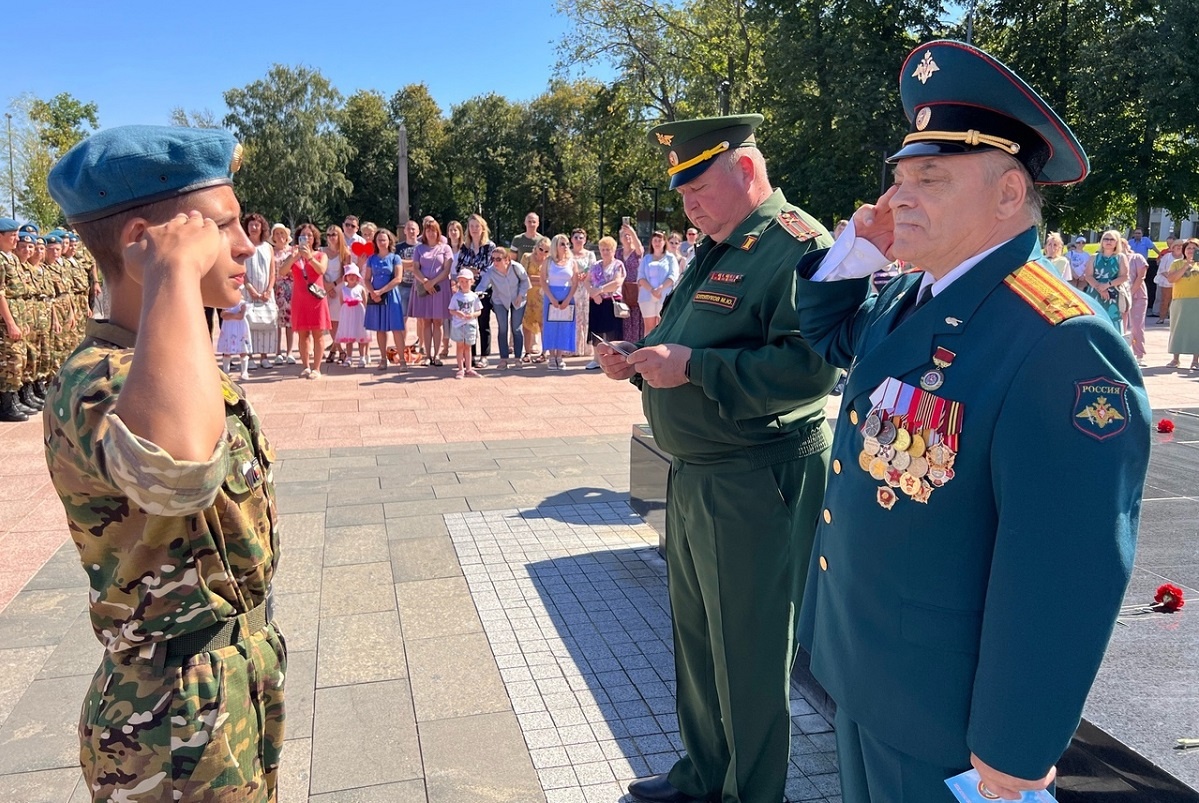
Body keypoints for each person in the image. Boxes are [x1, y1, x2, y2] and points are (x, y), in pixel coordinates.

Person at [791, 41, 1149, 803]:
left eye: (929, 178)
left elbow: (1065, 570)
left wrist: (1014, 746)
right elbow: (828, 336)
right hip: (865, 669)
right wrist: (856, 249)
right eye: (897, 177)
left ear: (1008, 193)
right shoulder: (906, 297)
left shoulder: (1058, 341)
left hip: (946, 719)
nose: (898, 197)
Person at [594, 114, 839, 803]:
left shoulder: (796, 244)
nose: (688, 204)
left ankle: (750, 794)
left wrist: (694, 366)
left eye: (698, 186)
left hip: (755, 477)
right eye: (681, 194)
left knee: (749, 655)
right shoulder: (721, 245)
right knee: (699, 642)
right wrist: (640, 363)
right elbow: (685, 335)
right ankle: (703, 776)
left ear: (746, 170)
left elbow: (810, 367)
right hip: (701, 473)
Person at [45, 124, 285, 801]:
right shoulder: (99, 380)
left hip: (228, 686)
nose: (245, 246)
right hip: (167, 719)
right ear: (141, 242)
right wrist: (174, 270)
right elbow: (178, 471)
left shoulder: (167, 363)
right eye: (222, 226)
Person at [284, 222, 332, 378]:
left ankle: (317, 368)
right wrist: (293, 258)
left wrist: (309, 257)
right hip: (299, 299)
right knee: (303, 334)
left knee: (318, 334)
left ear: (314, 238)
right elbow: (282, 272)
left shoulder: (321, 255)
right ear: (298, 238)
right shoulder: (293, 255)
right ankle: (305, 366)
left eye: (309, 235)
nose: (306, 238)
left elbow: (321, 270)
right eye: (303, 235)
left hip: (316, 299)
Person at [408, 218, 454, 364]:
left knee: (438, 321)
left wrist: (433, 282)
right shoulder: (419, 249)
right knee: (426, 321)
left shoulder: (445, 248)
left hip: (441, 287)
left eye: (433, 230)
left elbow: (447, 269)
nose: (431, 233)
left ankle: (437, 355)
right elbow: (415, 268)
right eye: (428, 230)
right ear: (424, 232)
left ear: (438, 231)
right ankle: (427, 355)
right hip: (424, 288)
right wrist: (425, 282)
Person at [475, 246, 529, 368]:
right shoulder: (490, 270)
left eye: (498, 259)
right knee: (502, 328)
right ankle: (503, 359)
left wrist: (521, 295)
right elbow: (483, 285)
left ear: (507, 259)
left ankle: (517, 358)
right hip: (499, 300)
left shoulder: (516, 267)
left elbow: (525, 281)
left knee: (516, 328)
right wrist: (475, 294)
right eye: (493, 259)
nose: (495, 262)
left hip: (518, 299)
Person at [362, 227, 408, 372]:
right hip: (376, 297)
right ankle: (383, 359)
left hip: (391, 296)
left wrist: (381, 291)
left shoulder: (395, 258)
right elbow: (367, 279)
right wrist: (373, 293)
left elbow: (398, 278)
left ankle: (402, 360)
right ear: (375, 242)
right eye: (379, 240)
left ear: (389, 241)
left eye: (384, 239)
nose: (381, 242)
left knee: (396, 328)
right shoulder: (371, 259)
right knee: (380, 329)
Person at [0, 217, 31, 421]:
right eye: (12, 236)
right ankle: (6, 405)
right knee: (9, 361)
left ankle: (15, 399)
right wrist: (10, 323)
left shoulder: (11, 258)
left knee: (19, 358)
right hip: (6, 320)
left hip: (18, 313)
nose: (16, 239)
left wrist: (24, 320)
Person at [459, 214, 496, 369]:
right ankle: (471, 355)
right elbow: (459, 267)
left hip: (484, 290)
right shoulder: (464, 247)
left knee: (483, 323)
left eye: (477, 226)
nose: (474, 229)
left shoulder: (490, 247)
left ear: (482, 228)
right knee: (468, 323)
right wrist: (469, 271)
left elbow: (490, 268)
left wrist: (475, 271)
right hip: (467, 290)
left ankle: (484, 356)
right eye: (471, 226)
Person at [242, 212, 278, 368]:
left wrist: (269, 290)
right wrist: (250, 288)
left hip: (266, 292)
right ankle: (249, 357)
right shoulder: (243, 246)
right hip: (249, 291)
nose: (254, 227)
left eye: (257, 225)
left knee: (267, 322)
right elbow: (240, 269)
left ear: (262, 227)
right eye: (251, 225)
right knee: (249, 322)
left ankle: (264, 356)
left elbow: (272, 271)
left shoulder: (268, 247)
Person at [586, 236, 628, 369]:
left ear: (614, 250)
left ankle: (611, 361)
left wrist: (599, 290)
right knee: (596, 331)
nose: (605, 252)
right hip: (596, 302)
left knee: (612, 332)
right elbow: (587, 281)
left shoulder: (618, 265)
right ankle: (596, 360)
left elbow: (617, 282)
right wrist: (593, 293)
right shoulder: (595, 265)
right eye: (603, 249)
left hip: (611, 301)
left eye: (608, 249)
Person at [543, 233, 582, 370]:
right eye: (562, 244)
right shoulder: (548, 261)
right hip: (551, 295)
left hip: (567, 295)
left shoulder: (572, 262)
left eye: (567, 244)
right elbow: (543, 281)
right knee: (551, 325)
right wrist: (551, 298)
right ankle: (551, 356)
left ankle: (560, 356)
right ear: (555, 246)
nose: (566, 247)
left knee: (564, 325)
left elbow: (575, 282)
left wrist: (568, 298)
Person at [1083, 229, 1129, 331]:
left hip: (1113, 294)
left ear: (1116, 242)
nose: (1108, 241)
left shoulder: (1120, 257)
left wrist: (1107, 285)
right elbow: (1088, 276)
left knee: (1113, 320)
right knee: (1094, 319)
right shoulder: (1094, 257)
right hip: (1095, 292)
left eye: (1112, 239)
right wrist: (1100, 288)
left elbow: (1124, 276)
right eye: (1106, 239)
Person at [1165, 238, 1199, 369]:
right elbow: (1171, 279)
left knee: (1196, 330)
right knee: (1177, 329)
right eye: (1188, 248)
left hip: (1196, 300)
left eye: (1194, 249)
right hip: (1180, 300)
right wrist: (1186, 266)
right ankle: (1175, 359)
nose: (1191, 251)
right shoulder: (1177, 263)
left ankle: (1195, 361)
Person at [638, 230, 680, 334]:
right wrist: (652, 290)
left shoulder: (670, 258)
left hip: (664, 295)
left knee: (662, 327)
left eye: (659, 240)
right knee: (649, 328)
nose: (657, 243)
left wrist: (660, 289)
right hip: (647, 296)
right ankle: (646, 349)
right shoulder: (646, 258)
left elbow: (673, 275)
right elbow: (640, 277)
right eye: (655, 240)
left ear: (664, 242)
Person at [323, 224, 353, 364]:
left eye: (334, 234)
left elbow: (345, 273)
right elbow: (319, 271)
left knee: (340, 322)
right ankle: (340, 350)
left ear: (339, 236)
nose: (331, 237)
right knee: (331, 322)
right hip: (324, 288)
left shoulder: (345, 253)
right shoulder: (322, 251)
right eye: (328, 235)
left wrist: (333, 286)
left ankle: (335, 350)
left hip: (339, 288)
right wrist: (326, 286)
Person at [520, 234, 550, 363]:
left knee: (543, 325)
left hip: (543, 296)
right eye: (541, 249)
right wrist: (539, 280)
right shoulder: (527, 257)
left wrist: (535, 279)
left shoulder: (550, 261)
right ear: (536, 247)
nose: (542, 252)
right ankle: (526, 352)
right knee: (526, 325)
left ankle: (544, 352)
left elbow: (548, 280)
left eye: (546, 250)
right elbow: (522, 276)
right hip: (527, 295)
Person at [448, 268, 483, 378]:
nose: (464, 284)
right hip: (458, 325)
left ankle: (469, 368)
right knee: (459, 346)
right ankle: (460, 369)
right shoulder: (456, 296)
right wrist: (457, 313)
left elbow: (479, 310)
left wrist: (472, 315)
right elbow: (451, 310)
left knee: (468, 347)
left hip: (470, 324)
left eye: (466, 281)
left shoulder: (474, 296)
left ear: (472, 282)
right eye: (461, 281)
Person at [270, 223, 296, 364]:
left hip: (291, 287)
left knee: (289, 321)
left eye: (282, 233)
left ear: (287, 236)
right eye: (277, 233)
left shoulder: (292, 251)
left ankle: (290, 352)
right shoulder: (271, 251)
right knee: (277, 321)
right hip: (276, 287)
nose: (280, 236)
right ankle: (277, 352)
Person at [569, 227, 596, 355]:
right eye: (576, 237)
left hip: (585, 289)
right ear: (571, 239)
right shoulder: (568, 253)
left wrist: (585, 275)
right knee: (571, 317)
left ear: (585, 240)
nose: (578, 240)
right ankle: (570, 347)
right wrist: (575, 275)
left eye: (581, 238)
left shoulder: (590, 254)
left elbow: (593, 269)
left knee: (584, 318)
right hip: (571, 289)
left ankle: (583, 348)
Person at [1122, 236, 1149, 365]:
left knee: (1137, 326)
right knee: (1121, 326)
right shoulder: (1115, 260)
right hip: (1120, 297)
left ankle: (1139, 355)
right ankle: (1122, 353)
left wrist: (1130, 293)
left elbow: (1141, 277)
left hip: (1138, 296)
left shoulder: (1137, 257)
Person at [617, 223, 645, 342]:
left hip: (635, 290)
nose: (627, 238)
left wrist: (632, 232)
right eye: (624, 235)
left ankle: (635, 343)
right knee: (623, 315)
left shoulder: (637, 252)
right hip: (621, 289)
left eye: (629, 235)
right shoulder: (617, 253)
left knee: (636, 317)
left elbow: (639, 247)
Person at [338, 265, 370, 367]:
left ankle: (362, 357)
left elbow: (365, 302)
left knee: (361, 336)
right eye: (349, 275)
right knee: (349, 337)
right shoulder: (343, 289)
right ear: (346, 277)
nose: (351, 277)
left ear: (358, 277)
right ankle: (349, 357)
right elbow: (341, 302)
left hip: (359, 315)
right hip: (348, 316)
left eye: (354, 275)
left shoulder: (361, 288)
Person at [217, 295, 252, 380]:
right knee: (227, 351)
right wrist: (234, 315)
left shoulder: (242, 303)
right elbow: (223, 315)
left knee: (243, 350)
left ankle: (244, 371)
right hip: (228, 328)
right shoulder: (226, 303)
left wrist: (230, 315)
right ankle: (226, 372)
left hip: (240, 328)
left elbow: (241, 316)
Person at [1155, 238, 1182, 325]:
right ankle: (1162, 318)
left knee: (1178, 302)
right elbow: (1162, 270)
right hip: (1167, 282)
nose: (1179, 247)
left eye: (1181, 246)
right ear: (1173, 247)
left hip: (1180, 282)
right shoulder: (1167, 256)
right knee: (1165, 300)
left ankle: (1174, 319)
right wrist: (1171, 278)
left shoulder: (1184, 257)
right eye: (1177, 246)